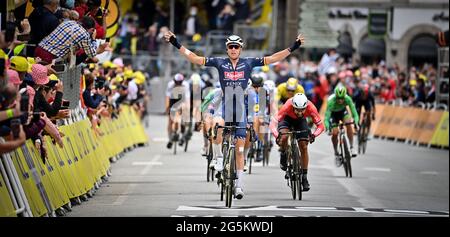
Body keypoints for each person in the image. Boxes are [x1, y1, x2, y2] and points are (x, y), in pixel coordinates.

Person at [164, 29, 305, 200]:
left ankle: (239, 186)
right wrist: (176, 43)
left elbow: (273, 58)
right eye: (230, 46)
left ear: (240, 49)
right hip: (225, 106)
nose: (233, 49)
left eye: (236, 47)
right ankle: (217, 158)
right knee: (216, 123)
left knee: (239, 150)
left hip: (240, 110)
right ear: (226, 49)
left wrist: (293, 47)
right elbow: (195, 58)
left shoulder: (248, 63)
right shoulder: (219, 62)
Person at [270, 93, 324, 191]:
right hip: (286, 120)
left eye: (302, 110)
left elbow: (321, 126)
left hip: (300, 122)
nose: (299, 112)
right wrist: (277, 136)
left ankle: (304, 177)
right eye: (297, 110)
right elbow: (273, 124)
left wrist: (313, 135)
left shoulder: (311, 107)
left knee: (303, 146)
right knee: (284, 137)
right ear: (293, 106)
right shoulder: (287, 106)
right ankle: (283, 153)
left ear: (306, 107)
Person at [324, 86, 360, 167]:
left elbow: (354, 113)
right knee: (335, 133)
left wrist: (356, 123)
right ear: (335, 96)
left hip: (343, 112)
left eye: (342, 98)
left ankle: (351, 147)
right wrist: (328, 127)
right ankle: (336, 153)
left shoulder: (348, 99)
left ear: (345, 96)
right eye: (338, 98)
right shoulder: (331, 101)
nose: (340, 100)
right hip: (333, 115)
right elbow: (326, 118)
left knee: (348, 123)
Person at [165, 73, 190, 149]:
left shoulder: (185, 85)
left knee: (184, 114)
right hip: (173, 100)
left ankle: (182, 135)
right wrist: (167, 108)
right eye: (177, 82)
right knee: (170, 121)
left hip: (182, 100)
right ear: (174, 81)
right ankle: (170, 140)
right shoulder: (170, 85)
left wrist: (187, 110)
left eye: (180, 82)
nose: (178, 84)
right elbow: (167, 97)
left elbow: (187, 99)